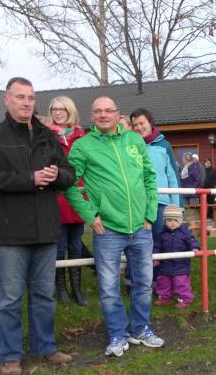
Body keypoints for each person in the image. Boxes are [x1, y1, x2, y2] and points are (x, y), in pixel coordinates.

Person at [0, 77, 76, 375]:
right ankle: (10, 355)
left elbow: (69, 174)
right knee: (10, 298)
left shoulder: (47, 135)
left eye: (31, 97)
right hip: (11, 230)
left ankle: (45, 347)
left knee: (44, 294)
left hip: (46, 227)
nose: (27, 102)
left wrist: (56, 175)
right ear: (7, 99)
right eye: (20, 97)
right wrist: (30, 179)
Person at [65, 96, 164, 357]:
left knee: (144, 284)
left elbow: (149, 177)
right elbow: (70, 185)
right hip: (107, 229)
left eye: (108, 110)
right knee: (109, 289)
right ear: (92, 116)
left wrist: (150, 214)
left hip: (141, 227)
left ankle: (140, 329)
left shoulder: (134, 140)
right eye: (98, 111)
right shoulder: (82, 146)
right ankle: (118, 334)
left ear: (118, 115)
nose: (103, 115)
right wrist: (90, 216)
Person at [47, 96, 88, 306]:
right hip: (57, 197)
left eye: (62, 109)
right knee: (59, 246)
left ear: (70, 110)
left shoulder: (82, 136)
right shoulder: (46, 136)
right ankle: (61, 288)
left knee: (76, 246)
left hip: (78, 196)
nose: (57, 112)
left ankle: (77, 289)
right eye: (54, 109)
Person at [129, 108, 182, 242]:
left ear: (150, 123)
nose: (139, 127)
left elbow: (172, 176)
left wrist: (177, 205)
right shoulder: (130, 146)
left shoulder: (164, 145)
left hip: (161, 201)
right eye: (135, 125)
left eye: (142, 123)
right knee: (139, 241)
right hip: (138, 202)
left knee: (161, 240)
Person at [153, 204, 199, 308]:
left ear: (180, 221)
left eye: (175, 220)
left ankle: (185, 299)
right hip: (165, 264)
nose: (172, 223)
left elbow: (192, 241)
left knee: (181, 283)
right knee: (163, 281)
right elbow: (157, 246)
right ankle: (164, 297)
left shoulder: (185, 232)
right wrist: (156, 257)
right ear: (164, 221)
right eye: (169, 220)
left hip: (181, 264)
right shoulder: (162, 233)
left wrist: (195, 248)